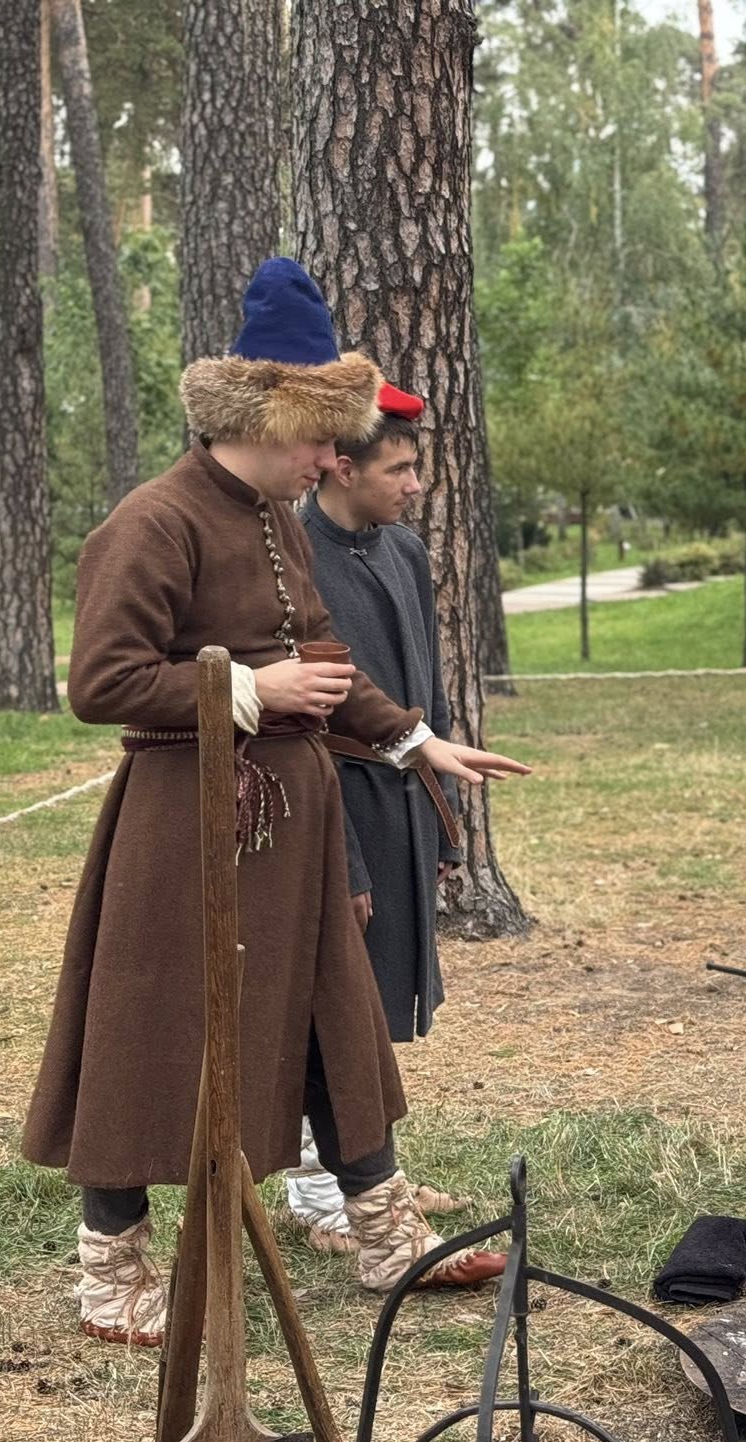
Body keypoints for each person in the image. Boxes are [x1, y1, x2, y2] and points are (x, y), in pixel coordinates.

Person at [23, 258, 521, 1347]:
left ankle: (384, 1236)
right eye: (323, 440)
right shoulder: (153, 523)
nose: (333, 460)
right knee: (149, 1029)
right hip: (183, 820)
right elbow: (100, 683)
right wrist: (251, 689)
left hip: (293, 826)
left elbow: (326, 661)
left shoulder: (275, 515)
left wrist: (414, 740)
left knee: (331, 1017)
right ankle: (111, 1272)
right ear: (268, 419)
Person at [285, 382, 488, 1253]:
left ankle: (373, 1173)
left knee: (374, 1001)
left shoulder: (402, 549)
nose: (414, 485)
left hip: (402, 796)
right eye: (398, 469)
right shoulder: (293, 553)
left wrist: (442, 827)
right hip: (333, 802)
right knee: (326, 1004)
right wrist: (348, 864)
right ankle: (317, 1186)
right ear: (342, 466)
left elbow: (425, 698)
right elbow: (305, 728)